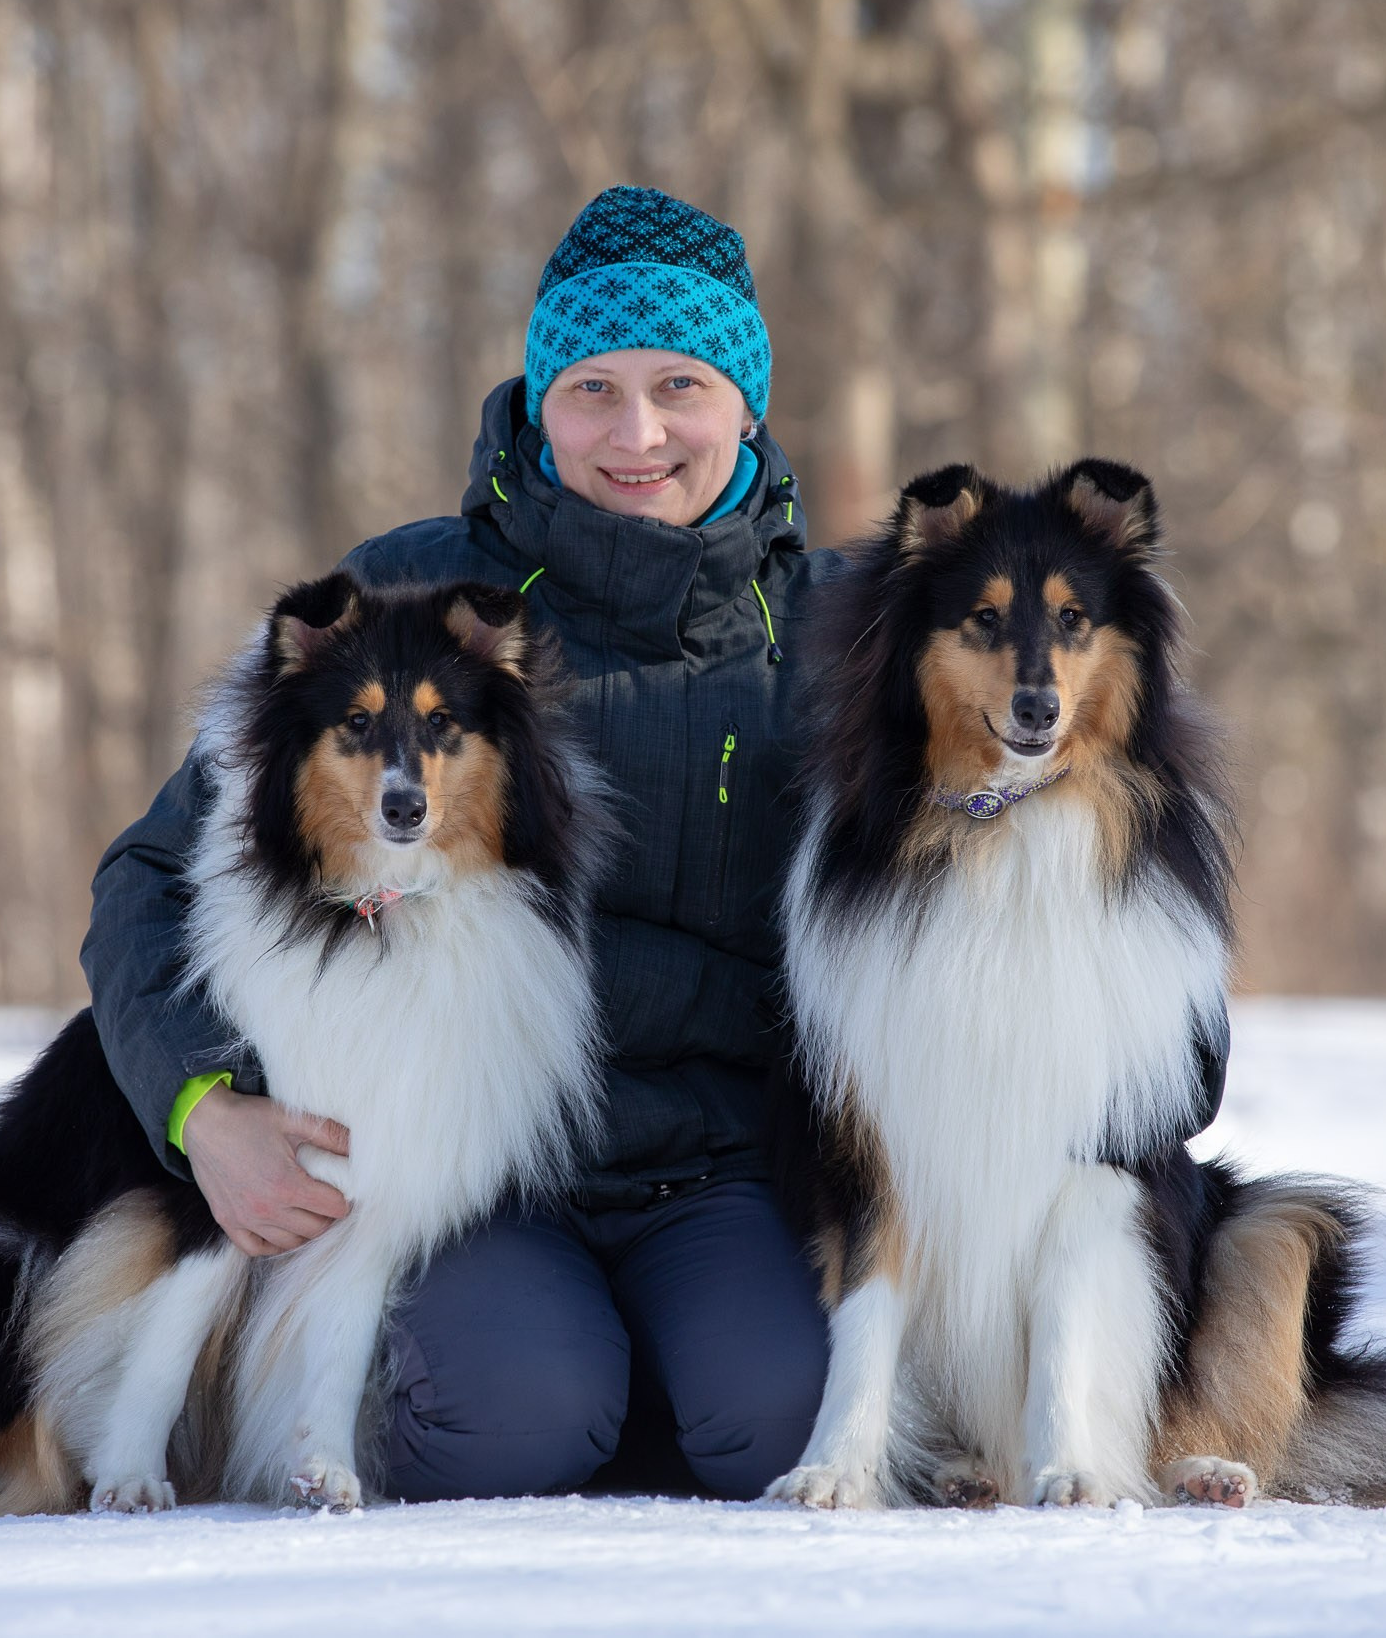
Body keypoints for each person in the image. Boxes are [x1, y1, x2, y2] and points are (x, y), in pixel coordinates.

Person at [82, 186, 840, 1501]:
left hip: (712, 1170)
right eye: (592, 388)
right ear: (541, 401)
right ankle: (563, 1392)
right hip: (465, 1180)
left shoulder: (836, 633)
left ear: (748, 402)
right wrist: (204, 1113)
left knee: (785, 1419)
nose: (638, 432)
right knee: (511, 1423)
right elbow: (151, 878)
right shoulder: (412, 594)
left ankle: (669, 1389)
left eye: (681, 385)